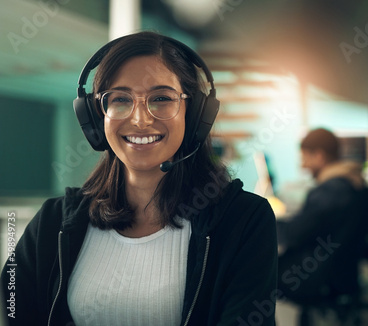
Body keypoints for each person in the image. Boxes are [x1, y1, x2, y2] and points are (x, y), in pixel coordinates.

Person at [1, 31, 277, 326]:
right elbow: (14, 310)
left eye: (161, 98)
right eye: (120, 99)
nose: (140, 119)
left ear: (195, 113)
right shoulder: (54, 221)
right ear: (96, 117)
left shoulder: (243, 220)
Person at [276, 128, 367, 303]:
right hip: (338, 271)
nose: (303, 166)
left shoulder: (331, 191)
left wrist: (265, 222)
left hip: (316, 275)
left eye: (305, 158)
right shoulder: (349, 183)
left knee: (255, 270)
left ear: (319, 156)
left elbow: (294, 234)